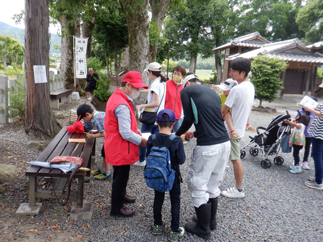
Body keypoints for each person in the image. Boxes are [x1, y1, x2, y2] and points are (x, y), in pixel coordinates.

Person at [175, 75, 231, 239]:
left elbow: (189, 118)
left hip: (208, 147)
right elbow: (214, 121)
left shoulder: (186, 91)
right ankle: (210, 222)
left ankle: (203, 228)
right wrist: (196, 132)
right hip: (224, 144)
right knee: (213, 183)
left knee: (198, 184)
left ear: (188, 83)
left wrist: (176, 135)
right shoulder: (213, 93)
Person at [104, 71, 148, 217]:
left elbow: (126, 128)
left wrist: (137, 132)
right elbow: (126, 133)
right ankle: (116, 208)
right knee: (120, 177)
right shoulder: (121, 104)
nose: (139, 92)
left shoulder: (118, 97)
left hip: (118, 145)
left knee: (122, 175)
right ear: (128, 85)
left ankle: (122, 195)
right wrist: (141, 140)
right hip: (120, 146)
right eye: (137, 88)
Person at [146, 109, 186, 242]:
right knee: (175, 200)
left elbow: (148, 156)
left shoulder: (152, 138)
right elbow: (181, 160)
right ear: (173, 124)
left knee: (158, 198)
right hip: (172, 176)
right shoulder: (176, 140)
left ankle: (157, 225)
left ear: (157, 123)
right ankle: (174, 231)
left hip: (158, 176)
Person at [221, 57, 255, 199]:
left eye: (233, 71)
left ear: (243, 73)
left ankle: (239, 189)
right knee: (228, 156)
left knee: (235, 159)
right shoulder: (250, 86)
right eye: (230, 71)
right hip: (238, 128)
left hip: (232, 130)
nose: (231, 74)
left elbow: (224, 111)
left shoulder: (236, 89)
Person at [134, 62, 167, 166]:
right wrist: (142, 91)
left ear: (151, 72)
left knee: (143, 138)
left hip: (151, 116)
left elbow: (156, 102)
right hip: (159, 117)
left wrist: (142, 106)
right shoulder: (162, 82)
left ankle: (141, 160)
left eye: (148, 73)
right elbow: (153, 92)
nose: (148, 75)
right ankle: (153, 161)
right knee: (155, 140)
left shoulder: (155, 84)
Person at [75, 104, 112, 180]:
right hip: (110, 137)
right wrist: (95, 132)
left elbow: (104, 133)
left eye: (83, 119)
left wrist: (92, 136)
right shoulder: (98, 114)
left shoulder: (96, 118)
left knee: (106, 153)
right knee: (104, 152)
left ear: (87, 114)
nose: (84, 121)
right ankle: (102, 170)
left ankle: (107, 173)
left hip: (112, 137)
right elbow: (103, 127)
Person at [303, 102, 323, 190]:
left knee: (317, 155)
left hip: (319, 133)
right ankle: (320, 177)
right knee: (321, 155)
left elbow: (322, 115)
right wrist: (316, 110)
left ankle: (318, 181)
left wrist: (310, 110)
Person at [294, 97, 317, 170]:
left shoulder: (314, 113)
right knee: (297, 148)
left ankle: (305, 161)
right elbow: (296, 120)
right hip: (300, 133)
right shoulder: (301, 111)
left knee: (307, 148)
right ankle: (296, 161)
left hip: (309, 134)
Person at [164, 66, 186, 132]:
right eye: (174, 73)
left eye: (178, 74)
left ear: (183, 76)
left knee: (177, 135)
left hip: (178, 116)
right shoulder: (166, 84)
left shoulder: (184, 87)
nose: (176, 75)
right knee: (166, 134)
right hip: (166, 115)